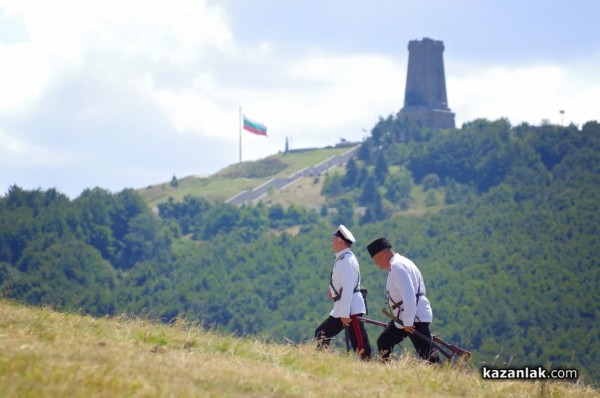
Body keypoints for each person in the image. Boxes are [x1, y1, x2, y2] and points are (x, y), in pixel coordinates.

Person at [366, 237, 439, 363]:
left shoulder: (397, 267)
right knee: (384, 342)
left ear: (383, 254)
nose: (376, 263)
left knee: (427, 354)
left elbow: (409, 294)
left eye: (376, 259)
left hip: (413, 316)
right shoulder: (401, 262)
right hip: (407, 315)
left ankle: (442, 376)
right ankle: (388, 372)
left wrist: (408, 321)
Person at [315, 225, 371, 360]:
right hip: (343, 308)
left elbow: (347, 288)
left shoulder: (346, 260)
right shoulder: (344, 258)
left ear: (341, 241)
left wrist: (345, 314)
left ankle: (370, 367)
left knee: (359, 344)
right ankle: (321, 361)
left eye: (334, 238)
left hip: (350, 310)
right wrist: (332, 290)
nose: (331, 241)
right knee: (322, 333)